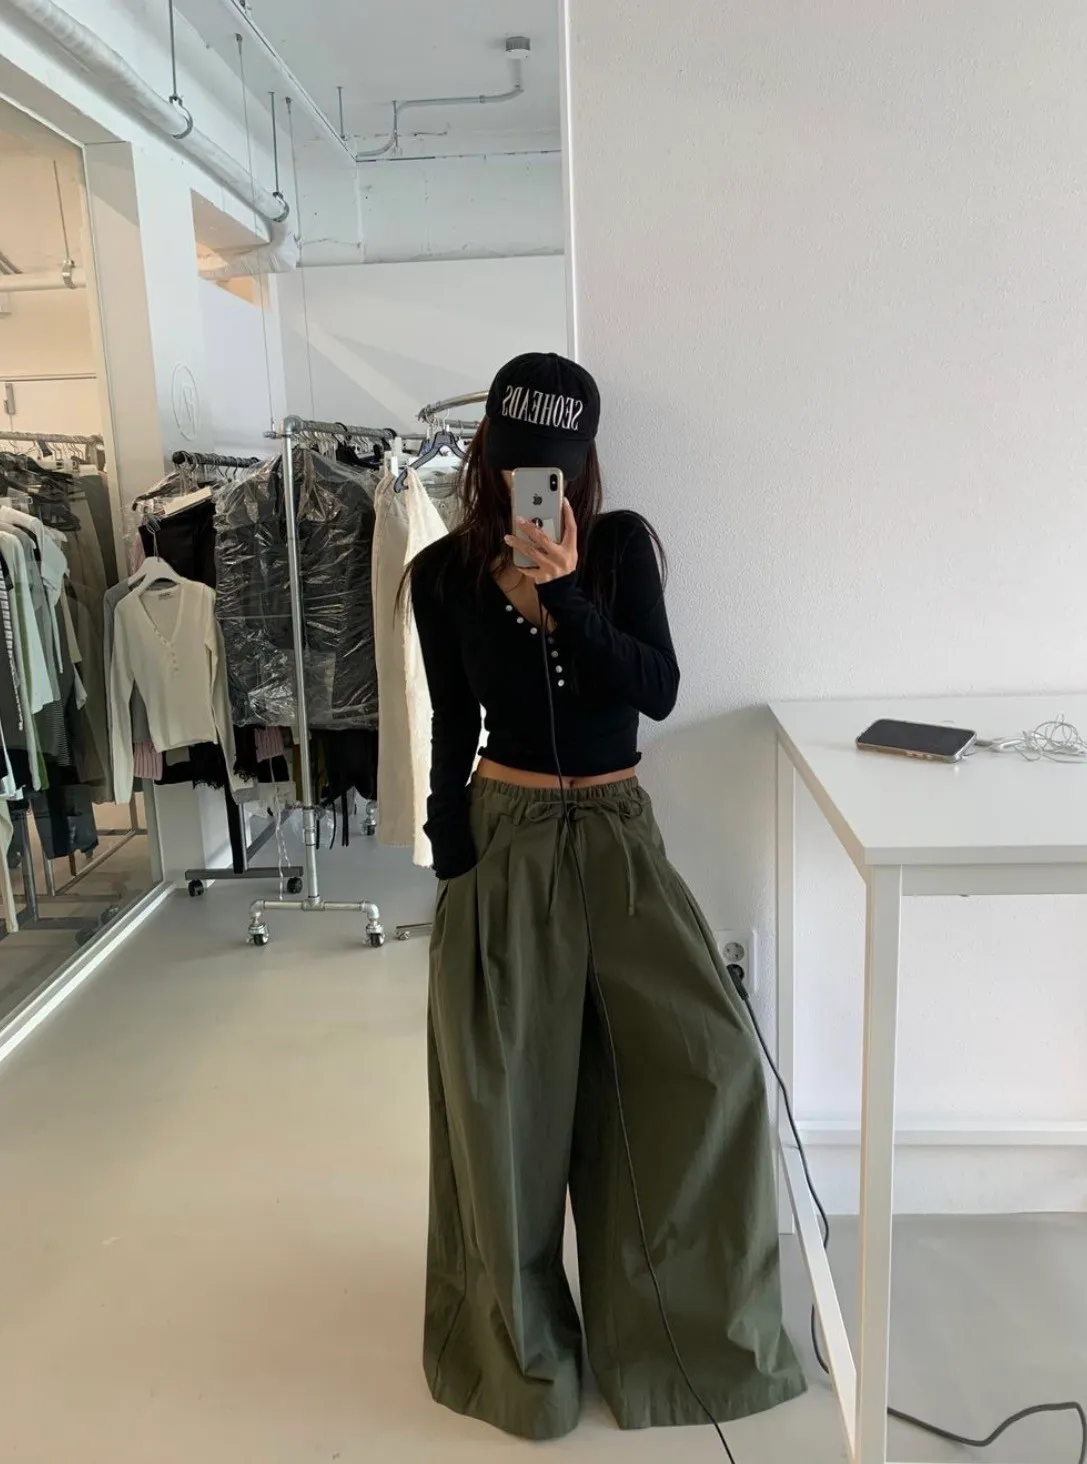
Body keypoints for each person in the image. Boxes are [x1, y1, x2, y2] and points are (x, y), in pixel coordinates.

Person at [408, 353, 805, 1441]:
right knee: (504, 1104)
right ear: (487, 455)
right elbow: (449, 722)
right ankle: (521, 1363)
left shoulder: (620, 548)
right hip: (506, 835)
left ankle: (683, 1348)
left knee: (706, 1068)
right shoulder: (440, 575)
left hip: (620, 835)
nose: (533, 483)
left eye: (553, 466)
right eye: (517, 463)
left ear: (581, 464)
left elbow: (656, 690)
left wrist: (565, 598)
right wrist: (450, 849)